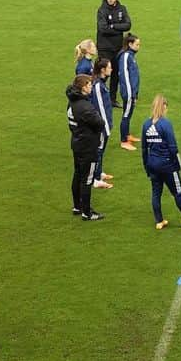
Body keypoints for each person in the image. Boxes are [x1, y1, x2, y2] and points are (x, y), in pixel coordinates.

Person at [141, 94, 181, 231]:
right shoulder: (165, 124)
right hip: (167, 165)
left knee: (156, 192)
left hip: (152, 164)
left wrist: (146, 166)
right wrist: (177, 165)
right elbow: (173, 147)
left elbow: (144, 149)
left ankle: (159, 220)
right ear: (163, 107)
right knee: (178, 192)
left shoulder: (146, 124)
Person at [66, 73, 105, 221]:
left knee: (77, 175)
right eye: (89, 84)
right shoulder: (85, 107)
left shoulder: (71, 103)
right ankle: (87, 212)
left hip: (77, 143)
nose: (91, 87)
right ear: (83, 87)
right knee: (87, 179)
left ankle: (77, 206)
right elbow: (100, 123)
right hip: (88, 147)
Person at [96, 0, 131, 104]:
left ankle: (112, 99)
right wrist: (118, 28)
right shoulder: (102, 10)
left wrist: (113, 26)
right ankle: (98, 95)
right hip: (104, 47)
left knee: (115, 73)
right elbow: (103, 29)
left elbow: (128, 25)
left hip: (117, 47)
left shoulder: (122, 9)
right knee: (103, 73)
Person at [91, 57, 115, 190]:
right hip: (101, 127)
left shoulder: (101, 83)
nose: (111, 69)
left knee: (101, 150)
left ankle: (99, 172)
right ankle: (95, 178)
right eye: (109, 67)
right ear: (102, 70)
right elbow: (100, 108)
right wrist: (106, 128)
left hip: (104, 125)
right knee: (98, 151)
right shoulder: (98, 86)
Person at [118, 33, 141, 150]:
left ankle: (127, 135)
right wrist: (130, 94)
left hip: (132, 92)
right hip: (128, 92)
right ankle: (123, 141)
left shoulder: (130, 55)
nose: (138, 47)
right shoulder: (126, 56)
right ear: (130, 44)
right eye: (137, 44)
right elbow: (125, 77)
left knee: (129, 113)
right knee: (126, 115)